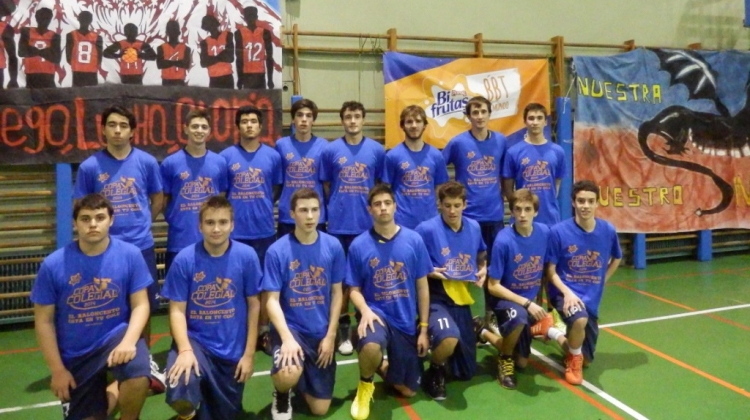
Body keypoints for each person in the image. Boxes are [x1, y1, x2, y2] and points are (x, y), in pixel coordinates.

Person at [30, 193, 153, 420]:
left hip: (115, 337)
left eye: (100, 217)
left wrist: (128, 342)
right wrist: (57, 370)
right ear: (75, 223)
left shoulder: (130, 255)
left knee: (138, 376)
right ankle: (112, 390)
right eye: (85, 219)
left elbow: (141, 305)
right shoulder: (53, 265)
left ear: (111, 220)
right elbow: (44, 321)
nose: (93, 224)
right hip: (77, 351)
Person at [74, 106, 164, 371]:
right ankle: (103, 356)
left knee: (144, 304)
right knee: (108, 304)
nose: (117, 130)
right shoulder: (90, 167)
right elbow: (80, 207)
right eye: (112, 125)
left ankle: (144, 357)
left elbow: (158, 198)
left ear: (132, 131)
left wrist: (143, 222)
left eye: (123, 125)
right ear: (103, 129)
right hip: (104, 250)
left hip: (141, 247)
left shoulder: (147, 162)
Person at [162, 196, 262, 420]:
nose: (216, 229)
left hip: (231, 349)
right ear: (200, 226)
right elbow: (176, 310)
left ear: (232, 225)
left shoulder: (247, 257)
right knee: (179, 385)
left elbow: (254, 306)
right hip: (196, 343)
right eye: (209, 222)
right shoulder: (184, 260)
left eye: (223, 222)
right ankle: (187, 414)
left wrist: (249, 354)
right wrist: (185, 350)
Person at [347, 184, 432, 420]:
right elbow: (353, 290)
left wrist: (424, 329)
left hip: (404, 320)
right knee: (372, 345)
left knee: (409, 390)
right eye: (377, 204)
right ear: (370, 210)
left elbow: (422, 287)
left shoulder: (414, 240)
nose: (383, 208)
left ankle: (381, 365)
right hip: (376, 315)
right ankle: (365, 384)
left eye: (387, 203)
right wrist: (364, 310)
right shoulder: (359, 245)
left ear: (395, 206)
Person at [263, 188, 345, 420]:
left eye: (314, 210)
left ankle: (301, 379)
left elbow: (337, 294)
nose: (310, 216)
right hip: (292, 330)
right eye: (303, 210)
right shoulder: (276, 251)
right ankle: (282, 393)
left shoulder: (333, 246)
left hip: (320, 333)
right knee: (288, 372)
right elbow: (271, 301)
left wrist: (331, 335)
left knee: (320, 409)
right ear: (292, 214)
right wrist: (287, 338)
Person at [320, 100, 385, 356]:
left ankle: (366, 323)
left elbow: (379, 185)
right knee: (340, 282)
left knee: (367, 278)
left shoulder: (377, 150)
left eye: (357, 116)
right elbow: (327, 185)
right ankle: (343, 328)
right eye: (348, 117)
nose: (353, 121)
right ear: (342, 120)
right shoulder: (331, 150)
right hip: (339, 226)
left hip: (367, 227)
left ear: (364, 119)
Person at [544, 180, 622, 385]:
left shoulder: (607, 230)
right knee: (579, 320)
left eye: (590, 201)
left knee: (586, 358)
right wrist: (567, 293)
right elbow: (550, 271)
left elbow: (617, 258)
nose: (585, 206)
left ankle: (550, 331)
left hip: (591, 299)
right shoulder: (558, 232)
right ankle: (573, 362)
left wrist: (602, 281)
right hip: (564, 293)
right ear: (573, 202)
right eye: (580, 201)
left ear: (597, 203)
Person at [414, 181, 486, 400]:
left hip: (461, 298)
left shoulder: (474, 227)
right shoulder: (426, 229)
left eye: (456, 205)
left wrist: (483, 268)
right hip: (436, 297)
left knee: (465, 372)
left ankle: (473, 327)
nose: (452, 211)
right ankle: (434, 371)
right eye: (447, 205)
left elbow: (481, 254)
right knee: (449, 336)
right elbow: (411, 262)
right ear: (440, 205)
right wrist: (427, 271)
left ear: (465, 204)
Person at [442, 95, 507, 331]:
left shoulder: (501, 141)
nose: (479, 116)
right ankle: (464, 316)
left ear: (489, 114)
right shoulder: (458, 143)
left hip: (494, 217)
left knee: (493, 270)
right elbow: (437, 167)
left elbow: (506, 175)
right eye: (475, 112)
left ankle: (491, 314)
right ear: (468, 117)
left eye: (483, 112)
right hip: (467, 220)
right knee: (463, 268)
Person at [222, 105, 282, 355]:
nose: (249, 125)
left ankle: (264, 331)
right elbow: (223, 194)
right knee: (235, 284)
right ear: (238, 126)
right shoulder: (225, 157)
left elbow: (276, 189)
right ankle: (240, 331)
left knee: (266, 284)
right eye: (244, 121)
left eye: (253, 121)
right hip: (235, 235)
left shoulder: (273, 157)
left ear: (260, 126)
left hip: (264, 231)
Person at [501, 102, 567, 330]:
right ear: (525, 121)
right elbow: (508, 187)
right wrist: (520, 210)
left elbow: (556, 184)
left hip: (549, 220)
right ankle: (527, 314)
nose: (535, 122)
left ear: (545, 121)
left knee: (550, 269)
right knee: (524, 269)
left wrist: (545, 205)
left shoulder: (557, 151)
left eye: (540, 118)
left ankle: (552, 314)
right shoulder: (514, 152)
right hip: (523, 224)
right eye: (531, 118)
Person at [481, 188, 554, 390]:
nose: (522, 214)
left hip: (528, 304)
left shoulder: (544, 233)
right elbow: (493, 286)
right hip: (504, 300)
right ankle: (504, 360)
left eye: (527, 209)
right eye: (518, 209)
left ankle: (483, 332)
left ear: (535, 212)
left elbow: (546, 271)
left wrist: (549, 309)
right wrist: (527, 303)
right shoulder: (503, 240)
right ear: (511, 212)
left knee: (522, 362)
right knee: (519, 317)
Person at [160, 108, 228, 273]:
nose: (199, 130)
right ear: (185, 129)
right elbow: (163, 201)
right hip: (179, 241)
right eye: (195, 126)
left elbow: (221, 198)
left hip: (212, 241)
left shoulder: (219, 162)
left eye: (204, 127)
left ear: (209, 131)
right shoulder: (170, 163)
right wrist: (177, 220)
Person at [383, 105, 449, 229]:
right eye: (409, 121)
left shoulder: (436, 156)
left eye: (418, 121)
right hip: (401, 222)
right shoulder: (392, 156)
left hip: (430, 221)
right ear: (402, 126)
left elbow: (440, 188)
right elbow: (386, 190)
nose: (414, 125)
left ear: (424, 125)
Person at [275, 98, 328, 238]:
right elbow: (277, 183)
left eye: (308, 116)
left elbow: (327, 184)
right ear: (293, 119)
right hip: (288, 215)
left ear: (313, 120)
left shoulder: (324, 146)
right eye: (299, 115)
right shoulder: (281, 145)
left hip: (314, 215)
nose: (304, 120)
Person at [18, 7, 61, 88]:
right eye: (42, 17)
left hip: (48, 74)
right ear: (36, 18)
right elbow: (21, 52)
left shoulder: (55, 36)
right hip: (31, 73)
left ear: (50, 19)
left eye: (47, 18)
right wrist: (45, 52)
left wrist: (33, 50)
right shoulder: (26, 31)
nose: (44, 20)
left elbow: (57, 58)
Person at [234, 6, 274, 89]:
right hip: (247, 74)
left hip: (259, 73)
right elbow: (239, 57)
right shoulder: (239, 33)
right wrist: (240, 78)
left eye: (252, 16)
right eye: (248, 16)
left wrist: (270, 79)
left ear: (256, 17)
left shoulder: (265, 32)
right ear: (245, 18)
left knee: (261, 97)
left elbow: (269, 57)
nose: (250, 19)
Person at [66, 10, 102, 87]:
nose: (84, 21)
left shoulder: (71, 35)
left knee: (78, 92)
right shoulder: (97, 37)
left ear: (78, 19)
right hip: (91, 70)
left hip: (77, 70)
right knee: (91, 92)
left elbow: (68, 57)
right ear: (91, 21)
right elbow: (99, 58)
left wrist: (77, 64)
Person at [200, 14, 234, 89]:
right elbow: (203, 63)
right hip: (213, 78)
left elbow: (230, 58)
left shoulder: (228, 35)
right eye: (208, 26)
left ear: (215, 23)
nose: (211, 27)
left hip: (227, 76)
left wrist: (212, 59)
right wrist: (221, 56)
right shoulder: (204, 42)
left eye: (211, 24)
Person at [157, 20, 191, 86]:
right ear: (167, 33)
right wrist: (178, 62)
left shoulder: (186, 48)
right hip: (166, 82)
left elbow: (186, 65)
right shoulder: (161, 48)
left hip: (180, 82)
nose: (172, 33)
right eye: (170, 31)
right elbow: (160, 65)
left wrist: (168, 62)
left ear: (179, 33)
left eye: (174, 30)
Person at [0, 0, 19, 88]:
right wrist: (13, 79)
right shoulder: (5, 29)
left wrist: (13, 79)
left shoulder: (5, 29)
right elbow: (12, 57)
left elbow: (12, 57)